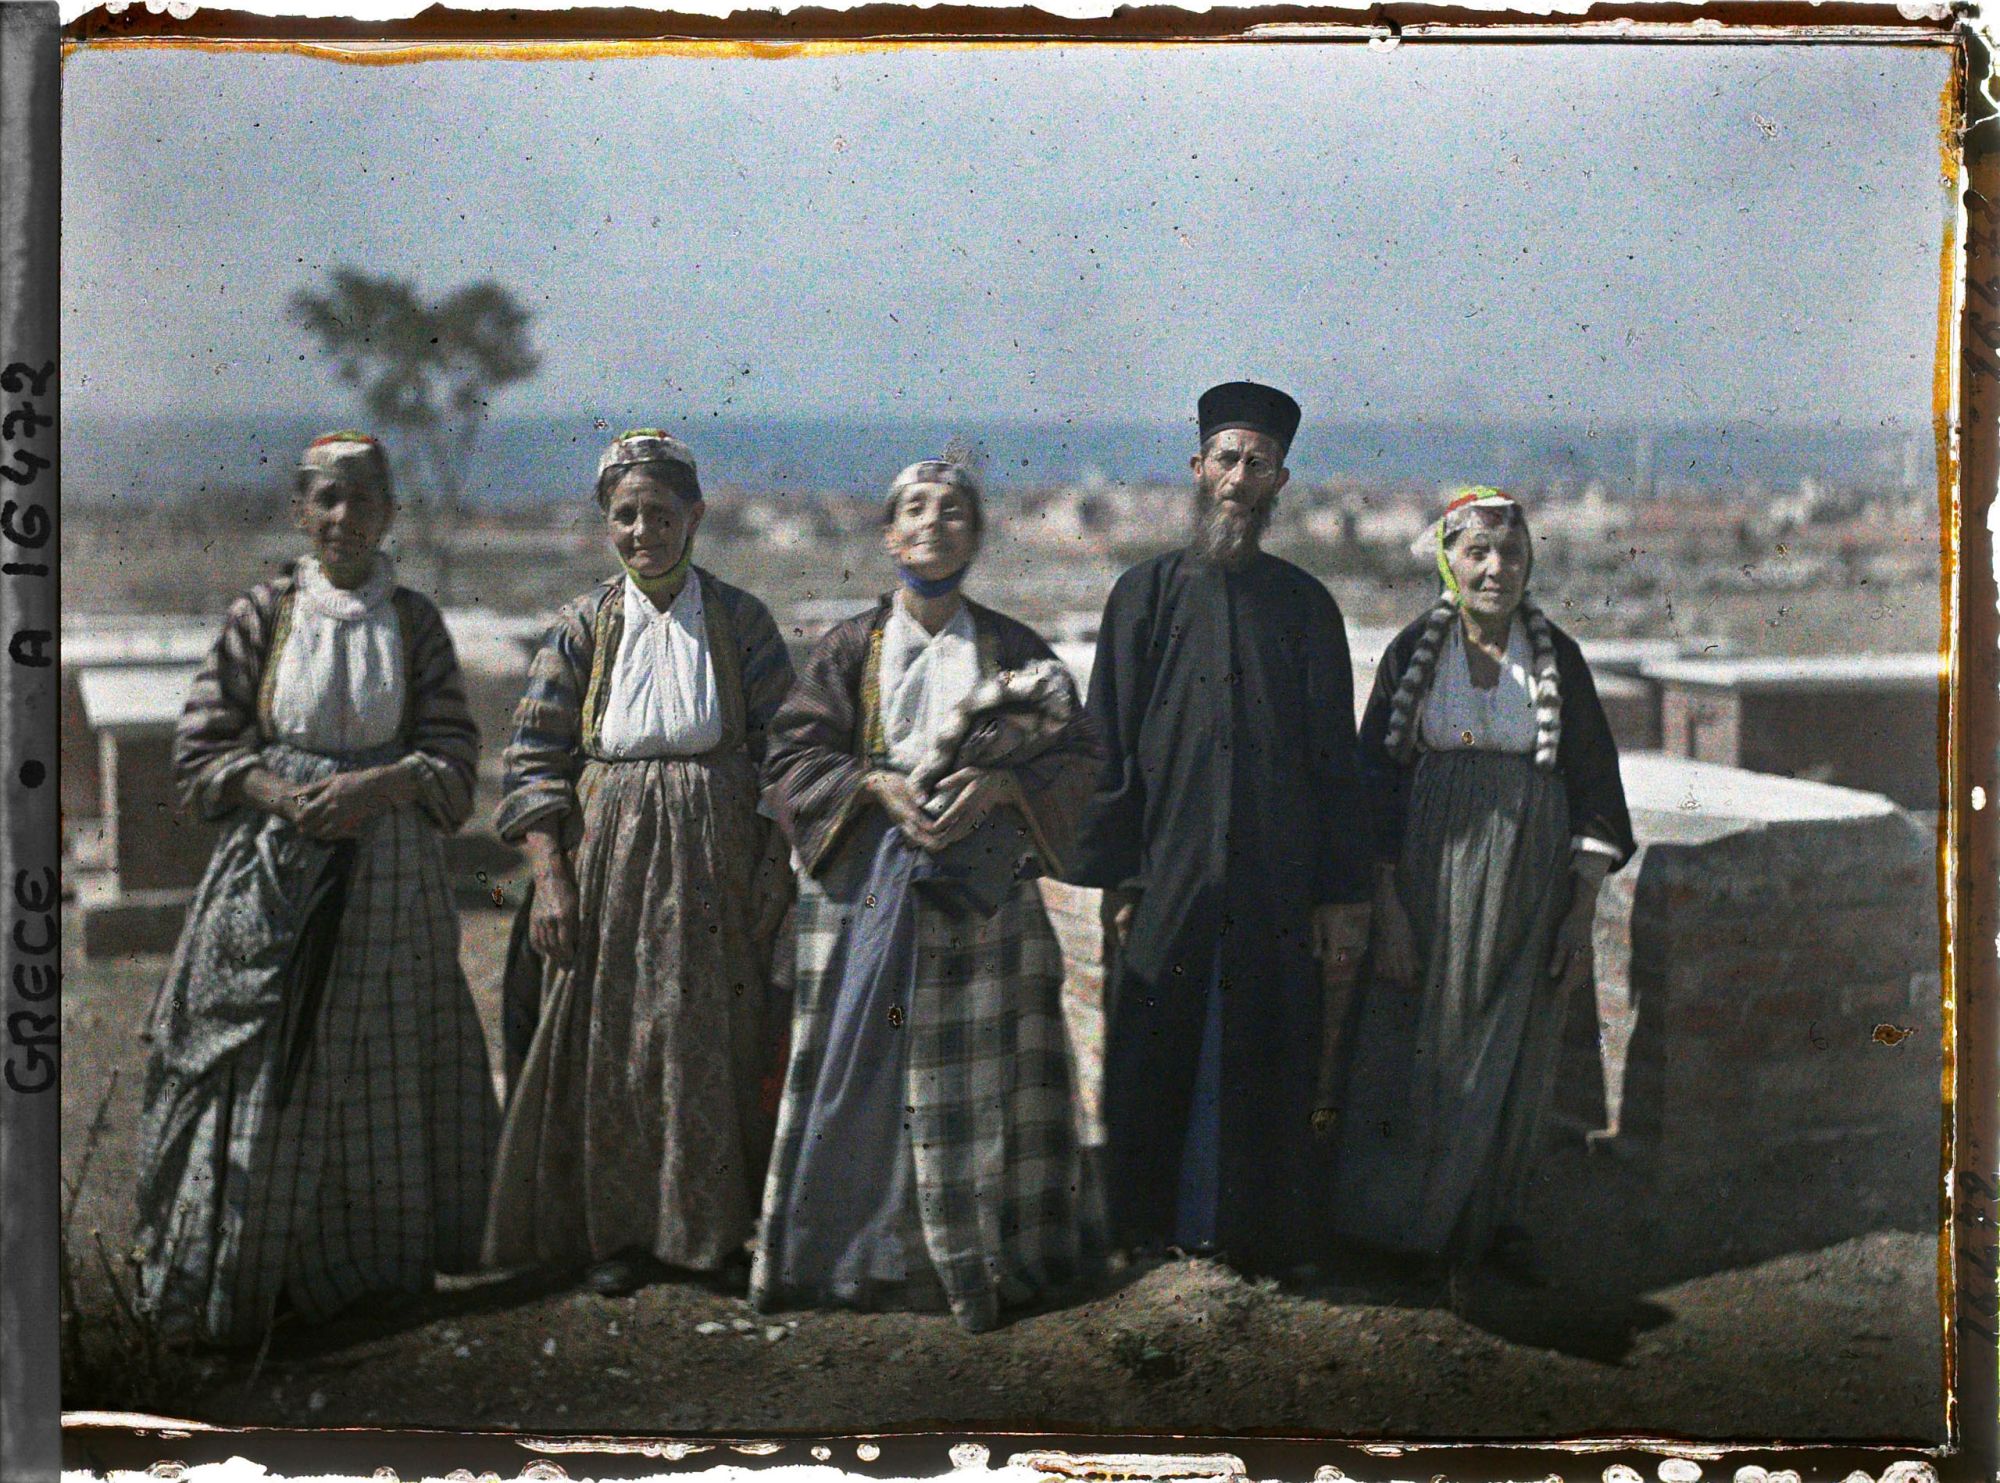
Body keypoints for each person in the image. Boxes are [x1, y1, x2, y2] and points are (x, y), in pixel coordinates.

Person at [134, 432, 497, 1348]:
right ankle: (256, 1275)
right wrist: (281, 793)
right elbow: (204, 749)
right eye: (327, 500)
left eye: (364, 500)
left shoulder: (413, 622)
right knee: (259, 1057)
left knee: (379, 1062)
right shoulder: (263, 613)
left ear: (388, 514)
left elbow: (454, 755)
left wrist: (379, 785)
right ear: (302, 510)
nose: (344, 518)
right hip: (276, 868)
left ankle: (370, 1274)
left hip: (388, 876)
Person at [752, 458, 1101, 1334]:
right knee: (865, 1072)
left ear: (976, 536)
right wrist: (872, 786)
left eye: (955, 512)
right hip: (868, 888)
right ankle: (861, 1260)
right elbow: (792, 758)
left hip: (981, 896)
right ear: (889, 534)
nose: (936, 523)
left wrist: (1004, 792)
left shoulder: (1016, 649)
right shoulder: (848, 649)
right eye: (917, 508)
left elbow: (1080, 760)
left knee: (977, 1085)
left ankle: (980, 1259)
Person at [1063, 382, 1375, 1275]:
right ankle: (1139, 1231)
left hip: (1275, 883)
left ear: (1281, 480)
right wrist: (1118, 876)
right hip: (1167, 873)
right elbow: (1108, 741)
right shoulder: (1143, 595)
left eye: (1259, 463)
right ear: (1198, 469)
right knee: (1152, 1042)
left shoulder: (1305, 605)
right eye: (1227, 459)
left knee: (1269, 1050)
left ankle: (1257, 1238)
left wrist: (1340, 892)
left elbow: (1332, 760)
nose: (1240, 478)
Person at [483, 429, 796, 1297]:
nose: (643, 530)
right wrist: (550, 875)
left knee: (713, 1043)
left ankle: (713, 1231)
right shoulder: (583, 627)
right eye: (625, 515)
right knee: (614, 1046)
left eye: (661, 512)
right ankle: (617, 1235)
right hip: (607, 868)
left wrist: (774, 863)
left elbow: (788, 752)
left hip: (717, 868)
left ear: (694, 516)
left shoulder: (739, 622)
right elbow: (534, 758)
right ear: (605, 525)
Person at [1333, 486, 1635, 1285]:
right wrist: (1390, 906)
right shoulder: (1413, 654)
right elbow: (1375, 785)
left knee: (1514, 1051)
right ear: (1448, 560)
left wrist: (1579, 910)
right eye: (1477, 552)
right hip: (1431, 880)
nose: (1495, 568)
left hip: (1529, 885)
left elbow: (1595, 784)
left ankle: (1488, 1224)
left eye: (1510, 552)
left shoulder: (1555, 658)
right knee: (1421, 1046)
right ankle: (1405, 1228)